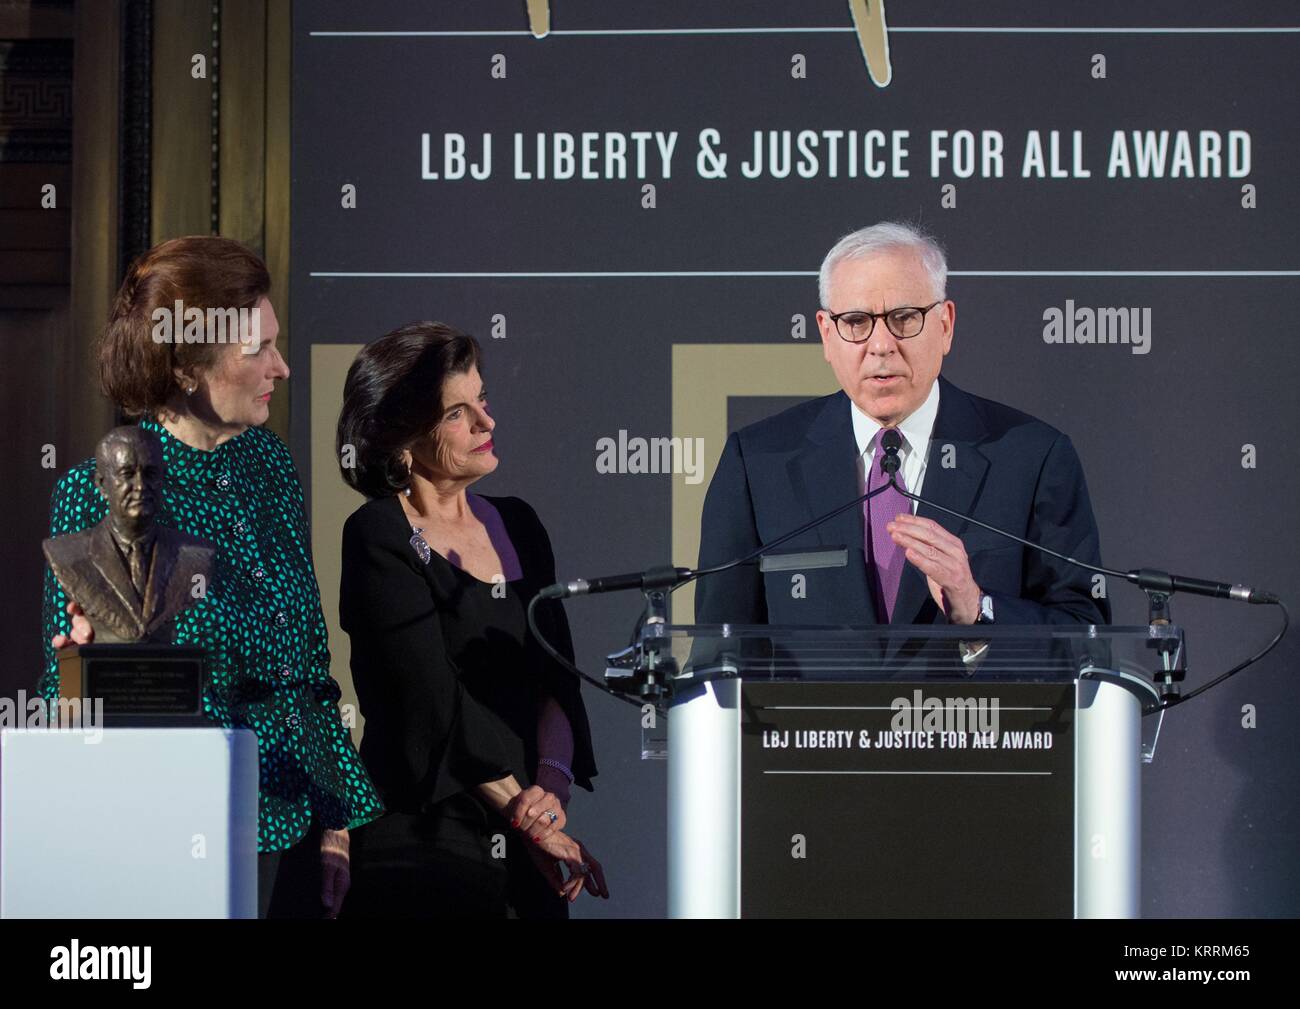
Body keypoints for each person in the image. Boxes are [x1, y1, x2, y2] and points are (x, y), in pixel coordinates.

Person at [41, 236, 383, 918]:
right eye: (257, 348)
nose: (281, 367)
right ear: (191, 364)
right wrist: (88, 666)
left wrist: (337, 822)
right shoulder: (94, 493)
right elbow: (69, 697)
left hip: (304, 823)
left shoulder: (268, 465)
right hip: (187, 827)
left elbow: (310, 659)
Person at [695, 221, 1110, 628]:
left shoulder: (1032, 458)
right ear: (825, 333)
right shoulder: (757, 463)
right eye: (856, 322)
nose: (880, 345)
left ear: (945, 326)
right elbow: (719, 652)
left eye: (905, 318)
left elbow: (1084, 634)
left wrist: (979, 608)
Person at [335, 321, 607, 918]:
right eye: (458, 413)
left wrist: (549, 795)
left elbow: (557, 678)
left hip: (528, 829)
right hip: (425, 839)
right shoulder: (380, 534)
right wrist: (528, 817)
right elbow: (431, 704)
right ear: (402, 440)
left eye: (481, 400)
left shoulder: (521, 522)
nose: (486, 422)